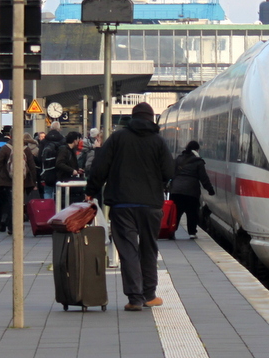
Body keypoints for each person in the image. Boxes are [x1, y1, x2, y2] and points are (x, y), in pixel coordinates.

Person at [85, 102, 174, 312]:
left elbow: (100, 166)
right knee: (149, 248)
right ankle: (149, 295)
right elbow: (169, 171)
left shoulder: (118, 138)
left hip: (122, 203)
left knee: (128, 251)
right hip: (151, 204)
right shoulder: (158, 142)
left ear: (132, 118)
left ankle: (135, 298)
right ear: (151, 119)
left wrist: (92, 189)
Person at [171, 140, 215, 238]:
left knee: (176, 213)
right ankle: (192, 232)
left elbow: (171, 172)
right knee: (192, 212)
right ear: (196, 150)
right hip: (191, 191)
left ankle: (172, 231)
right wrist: (210, 189)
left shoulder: (178, 159)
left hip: (176, 190)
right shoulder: (199, 162)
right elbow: (204, 178)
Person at [55, 131, 85, 204]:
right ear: (74, 140)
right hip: (64, 179)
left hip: (67, 178)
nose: (79, 142)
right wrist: (72, 170)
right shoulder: (64, 150)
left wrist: (77, 170)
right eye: (78, 140)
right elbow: (59, 163)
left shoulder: (70, 150)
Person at [38, 123, 65, 199]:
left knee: (47, 191)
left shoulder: (44, 141)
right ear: (59, 129)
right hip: (60, 170)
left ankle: (48, 209)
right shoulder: (63, 140)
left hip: (47, 171)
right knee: (60, 192)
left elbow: (40, 157)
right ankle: (58, 209)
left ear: (50, 128)